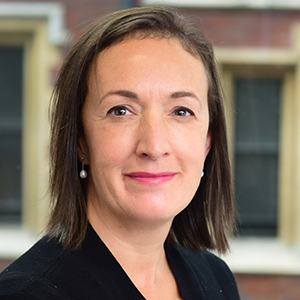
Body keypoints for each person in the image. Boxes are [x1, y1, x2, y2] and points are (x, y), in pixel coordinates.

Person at [0, 6, 240, 300]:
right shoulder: (27, 295)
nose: (153, 147)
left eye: (181, 111)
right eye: (121, 111)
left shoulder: (215, 278)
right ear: (79, 141)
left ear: (207, 143)